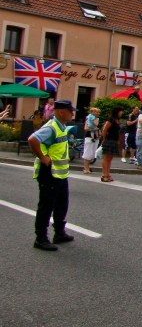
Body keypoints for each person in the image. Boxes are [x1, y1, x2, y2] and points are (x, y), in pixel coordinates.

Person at [28, 99, 76, 251]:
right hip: (49, 172)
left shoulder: (62, 126)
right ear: (61, 112)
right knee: (46, 206)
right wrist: (43, 157)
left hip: (59, 173)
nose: (72, 114)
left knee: (62, 204)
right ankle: (40, 238)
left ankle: (59, 233)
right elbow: (32, 139)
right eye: (70, 111)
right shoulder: (51, 127)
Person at [98, 109, 122, 182]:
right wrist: (104, 138)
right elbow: (104, 129)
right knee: (106, 158)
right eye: (120, 111)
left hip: (114, 140)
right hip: (109, 140)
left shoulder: (117, 120)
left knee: (110, 158)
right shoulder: (111, 119)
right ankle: (104, 174)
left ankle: (107, 174)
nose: (121, 113)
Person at [80, 106, 100, 173]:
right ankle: (86, 168)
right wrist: (94, 129)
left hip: (95, 137)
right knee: (87, 152)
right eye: (96, 112)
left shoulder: (97, 119)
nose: (97, 113)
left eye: (98, 112)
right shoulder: (89, 119)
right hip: (89, 137)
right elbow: (86, 128)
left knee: (92, 153)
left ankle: (87, 167)